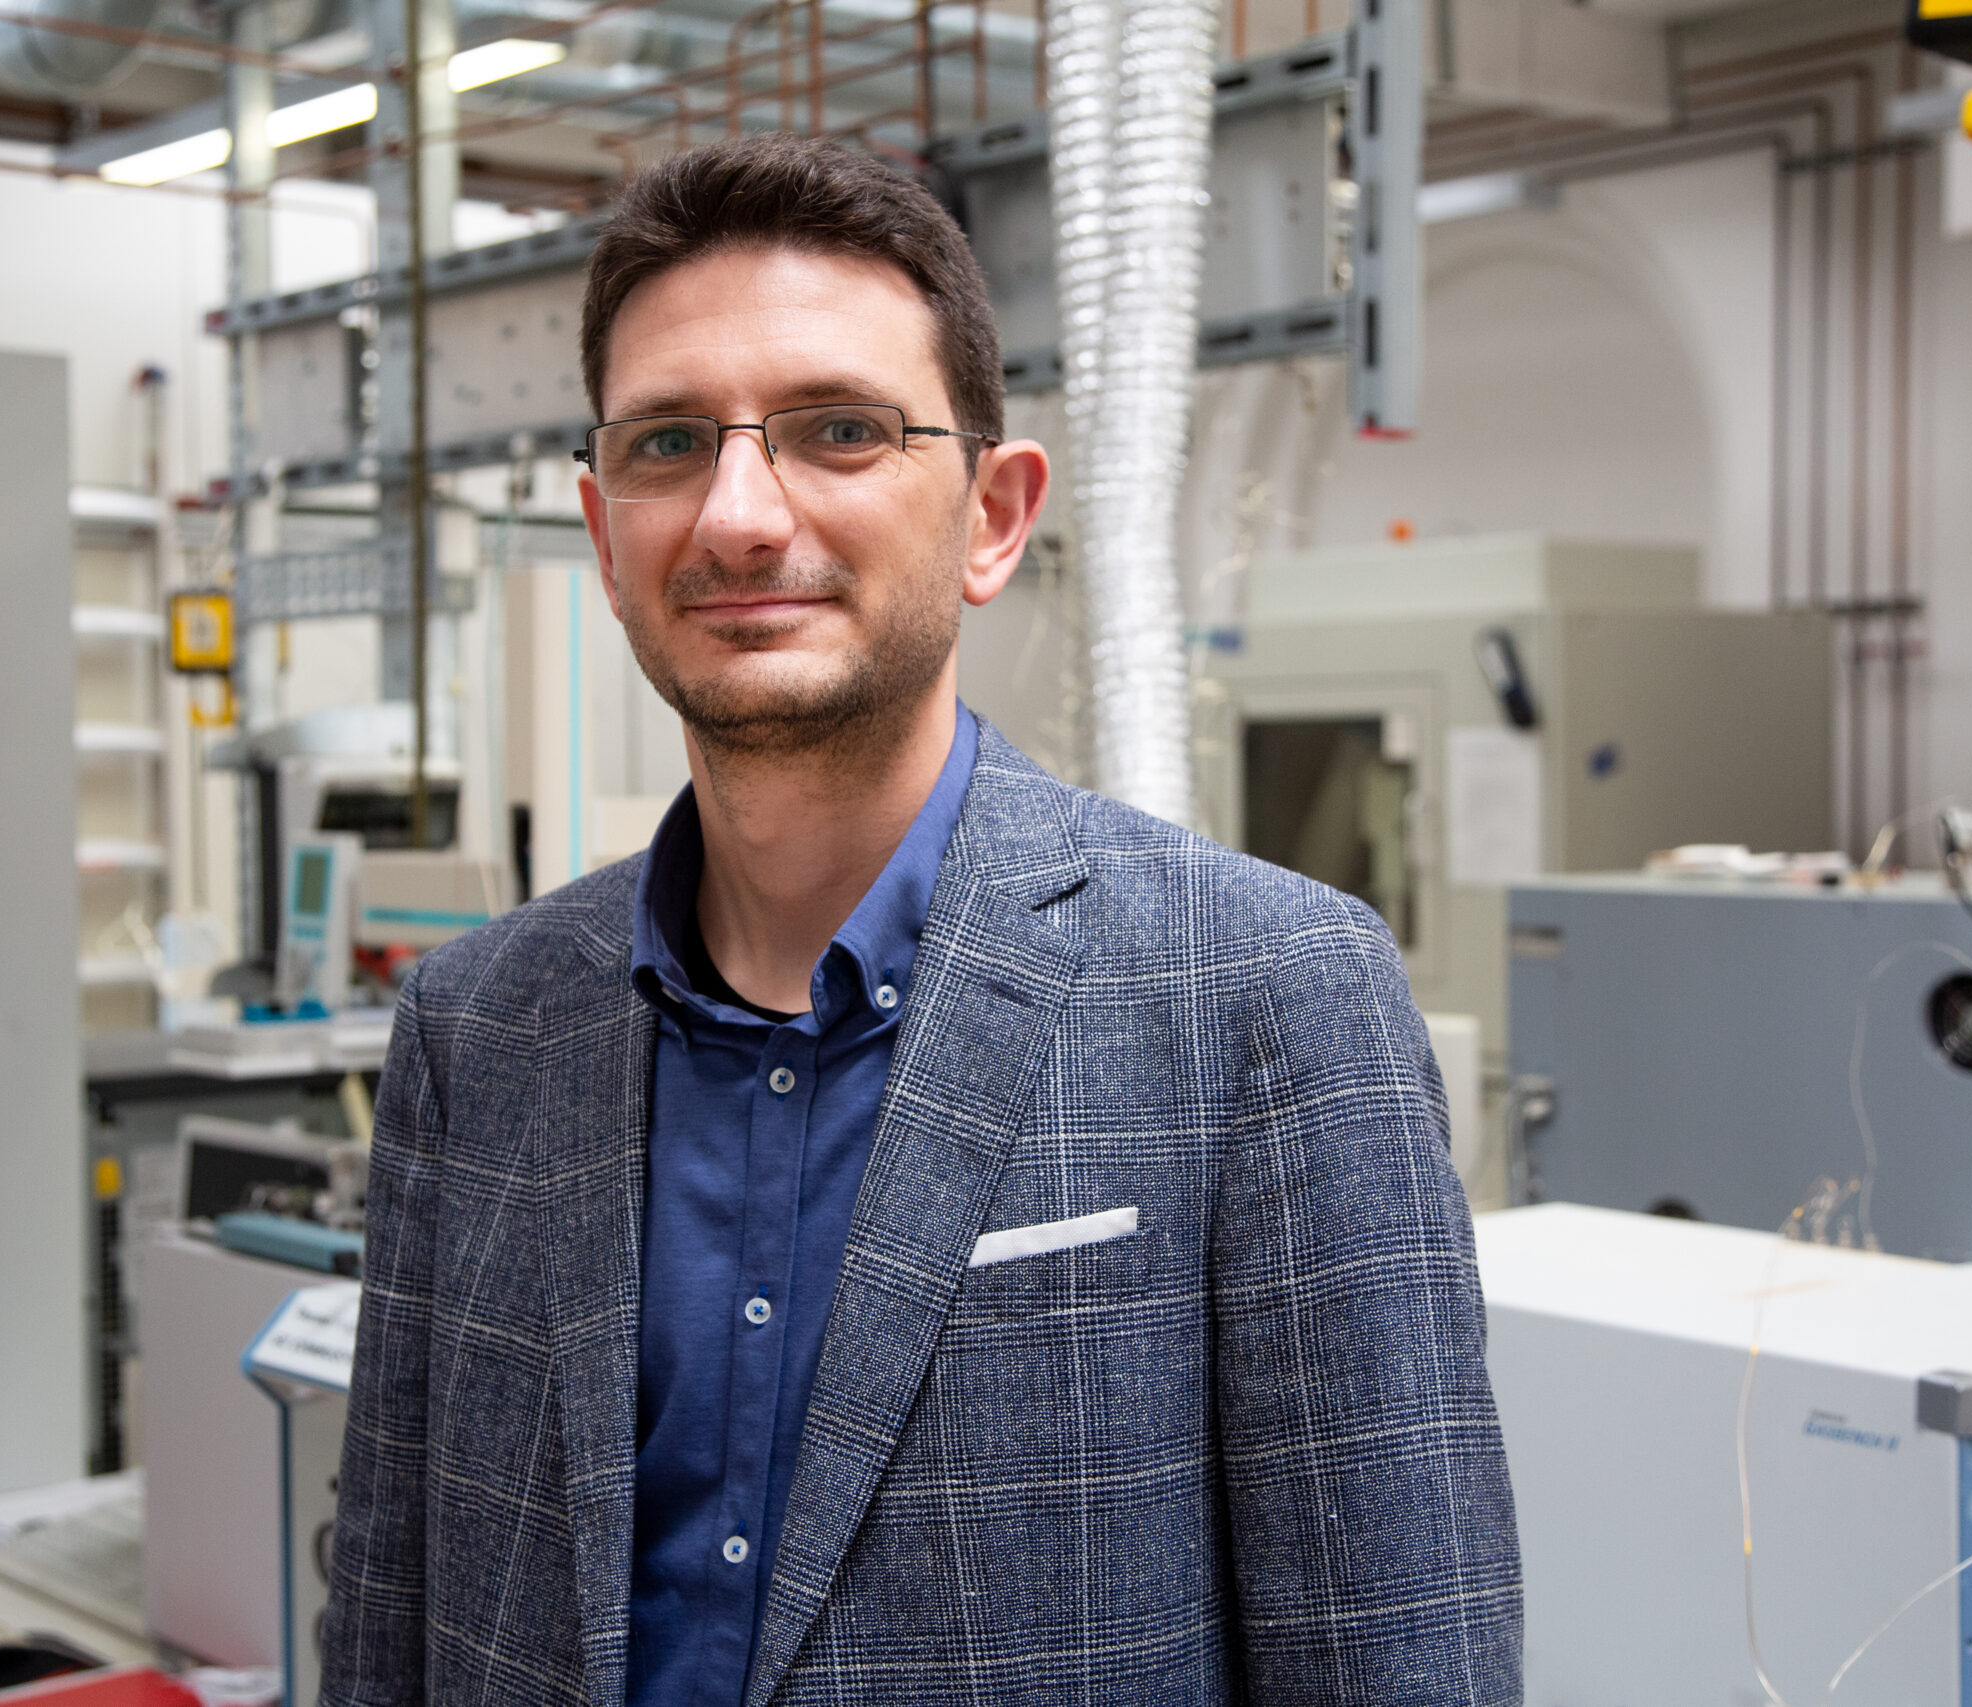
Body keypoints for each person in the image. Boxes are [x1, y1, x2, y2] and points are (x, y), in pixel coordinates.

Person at [319, 132, 1520, 1707]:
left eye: (839, 430)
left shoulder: (1265, 996)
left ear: (992, 517)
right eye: (670, 442)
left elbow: (1402, 1659)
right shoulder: (479, 1027)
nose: (740, 517)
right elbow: (388, 1624)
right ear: (605, 538)